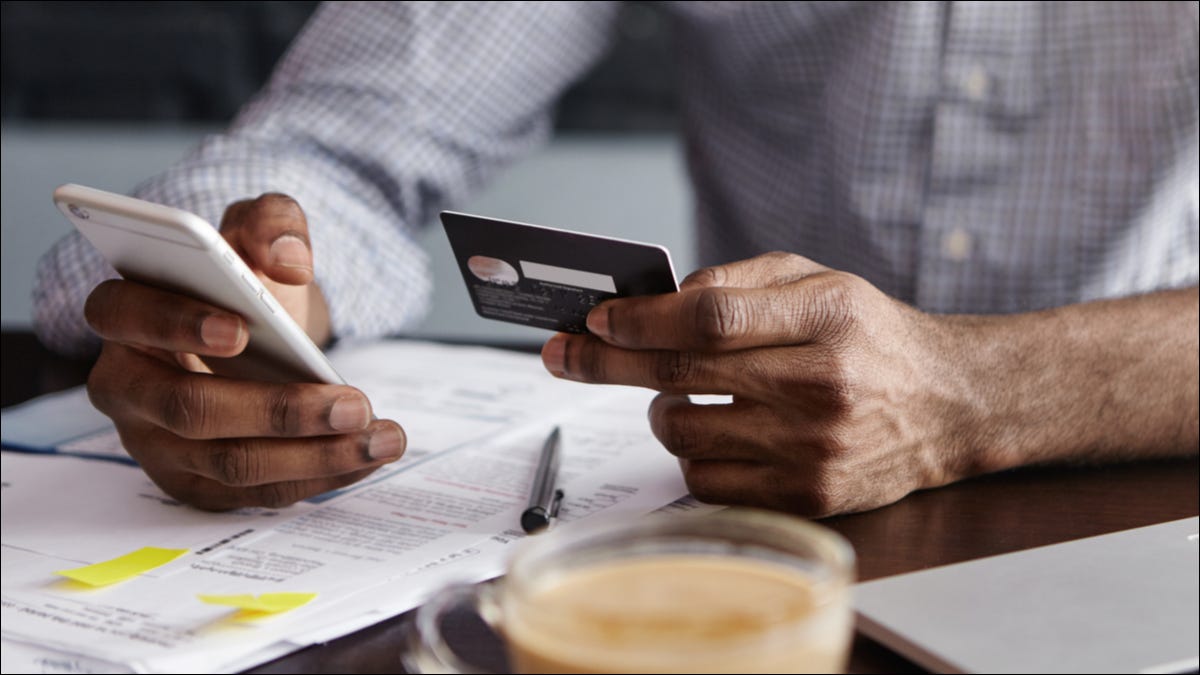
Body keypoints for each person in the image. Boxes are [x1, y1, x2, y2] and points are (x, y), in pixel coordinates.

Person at [33, 2, 1198, 515]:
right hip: (723, 503)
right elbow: (345, 139)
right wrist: (246, 288)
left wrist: (968, 393)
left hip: (1144, 494)